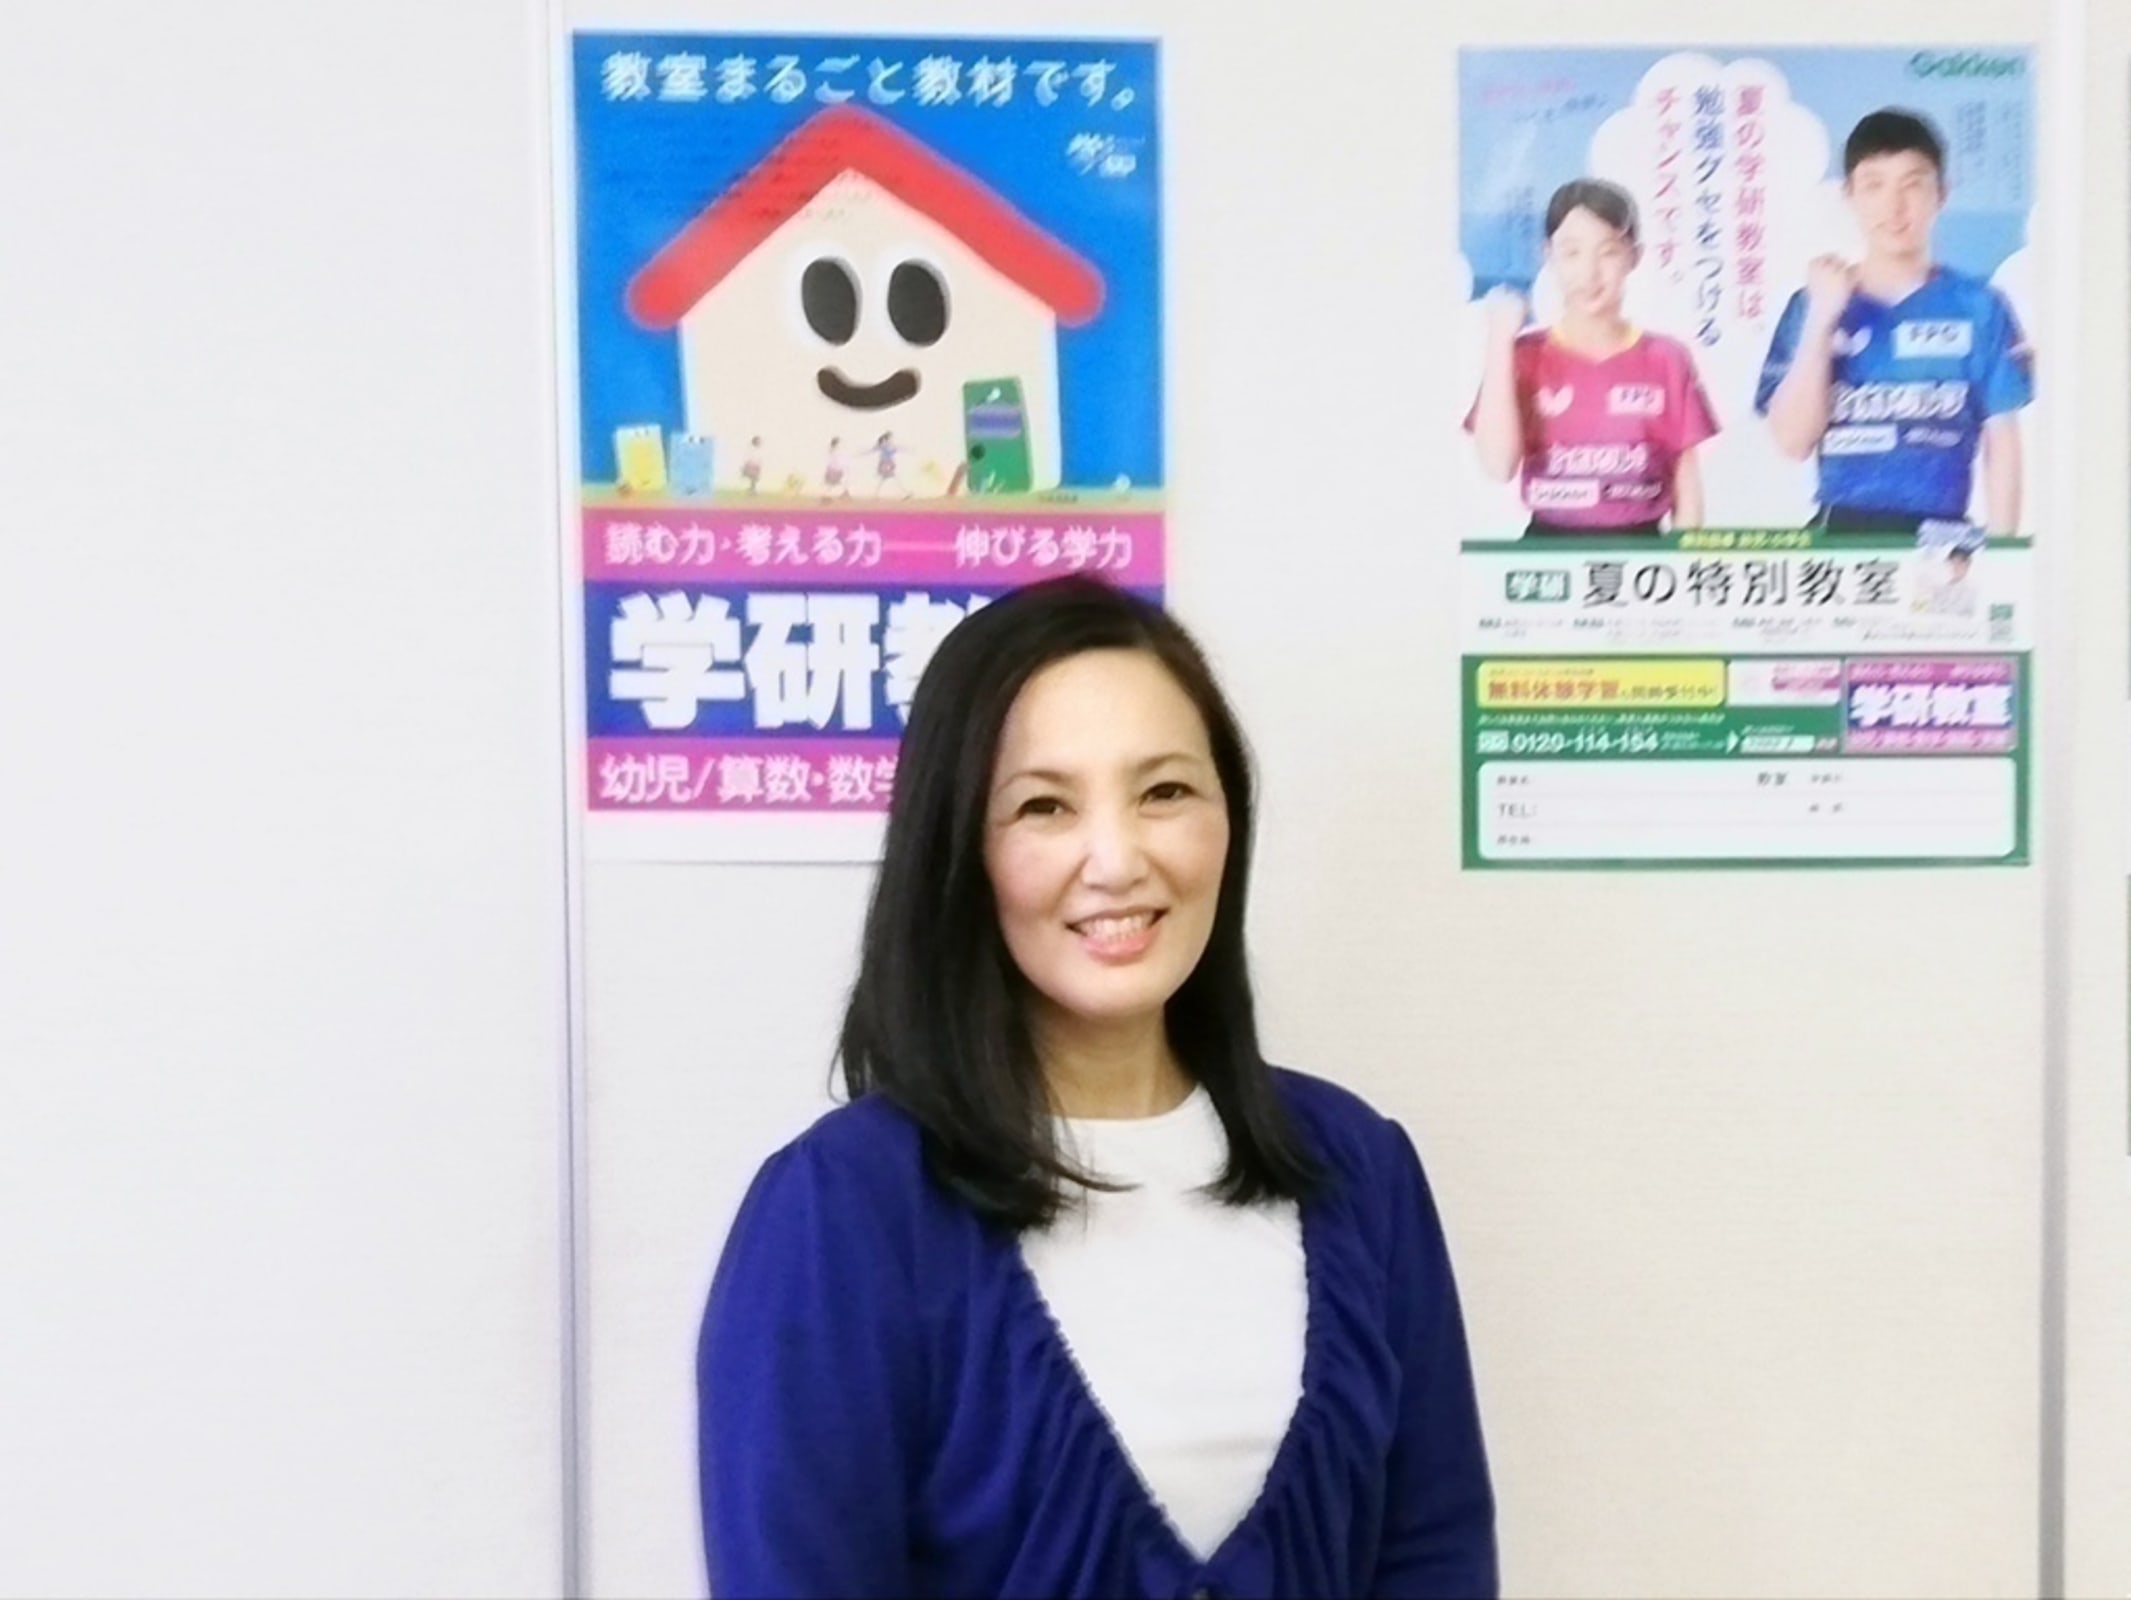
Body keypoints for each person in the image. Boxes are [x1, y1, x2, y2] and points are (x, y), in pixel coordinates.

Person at [697, 576, 1497, 1598]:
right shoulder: (839, 1212)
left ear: (1228, 819)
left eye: (1164, 792)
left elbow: (1435, 1552)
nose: (1116, 860)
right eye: (1044, 806)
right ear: (960, 847)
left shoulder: (1356, 1166)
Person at [1755, 108, 2033, 535]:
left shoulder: (1980, 307)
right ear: (1849, 195)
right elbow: (1792, 442)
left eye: (1912, 184)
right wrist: (1822, 320)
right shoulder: (1812, 303)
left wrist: (2000, 555)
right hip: (1838, 539)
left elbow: (2003, 440)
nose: (1894, 206)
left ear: (1941, 194)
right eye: (1874, 185)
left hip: (1942, 538)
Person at [1468, 177, 1718, 534]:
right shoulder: (1523, 356)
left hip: (1641, 548)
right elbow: (1498, 466)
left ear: (1634, 256)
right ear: (1548, 255)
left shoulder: (1666, 358)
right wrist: (1499, 341)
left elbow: (1687, 489)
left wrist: (1681, 560)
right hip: (1547, 549)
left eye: (1609, 252)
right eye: (1572, 252)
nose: (1589, 273)